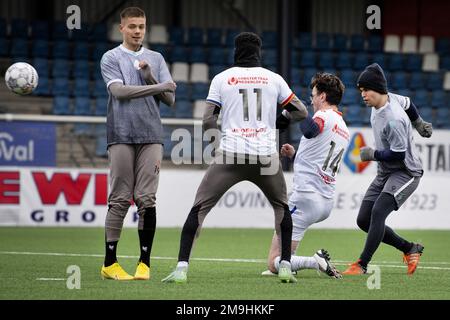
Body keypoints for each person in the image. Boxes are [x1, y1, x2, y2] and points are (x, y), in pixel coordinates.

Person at [161, 32, 310, 284]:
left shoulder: (222, 78)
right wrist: (277, 123)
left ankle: (181, 268)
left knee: (199, 208)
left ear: (236, 51)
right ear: (258, 52)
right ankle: (284, 265)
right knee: (281, 207)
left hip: (230, 155)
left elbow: (209, 118)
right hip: (265, 157)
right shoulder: (273, 79)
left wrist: (216, 146)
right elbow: (301, 110)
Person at [99, 7, 176, 280]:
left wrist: (151, 78)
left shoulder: (156, 58)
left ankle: (145, 263)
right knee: (119, 199)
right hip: (120, 134)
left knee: (146, 199)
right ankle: (110, 263)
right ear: (122, 28)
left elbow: (171, 100)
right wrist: (157, 86)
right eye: (132, 26)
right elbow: (119, 93)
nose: (137, 31)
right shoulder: (111, 58)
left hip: (151, 135)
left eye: (141, 26)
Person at [343, 63, 433, 275]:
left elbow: (398, 154)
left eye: (367, 90)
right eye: (361, 91)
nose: (363, 95)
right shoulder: (390, 98)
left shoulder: (393, 119)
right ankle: (409, 248)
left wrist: (372, 154)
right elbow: (409, 103)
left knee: (378, 213)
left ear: (379, 90)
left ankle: (362, 264)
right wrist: (419, 123)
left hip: (406, 172)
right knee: (363, 220)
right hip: (386, 172)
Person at [263, 73, 349, 279]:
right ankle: (299, 262)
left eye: (313, 95)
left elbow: (311, 130)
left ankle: (314, 261)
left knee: (275, 263)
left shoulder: (323, 116)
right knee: (286, 256)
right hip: (325, 201)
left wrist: (296, 110)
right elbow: (320, 156)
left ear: (322, 96)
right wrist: (296, 155)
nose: (311, 100)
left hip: (305, 198)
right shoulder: (343, 127)